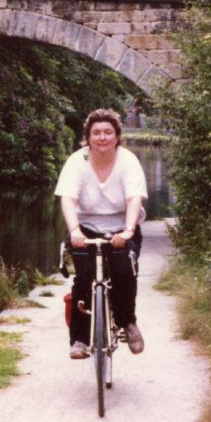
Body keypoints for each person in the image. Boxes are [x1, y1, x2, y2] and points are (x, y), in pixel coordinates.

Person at [54, 108, 147, 360]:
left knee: (124, 273)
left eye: (108, 132)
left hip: (121, 225)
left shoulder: (128, 161)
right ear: (88, 137)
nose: (102, 138)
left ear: (117, 136)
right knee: (83, 278)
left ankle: (128, 324)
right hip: (85, 226)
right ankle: (80, 340)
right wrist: (74, 230)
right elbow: (68, 199)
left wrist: (128, 230)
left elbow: (134, 198)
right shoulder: (78, 161)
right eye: (96, 133)